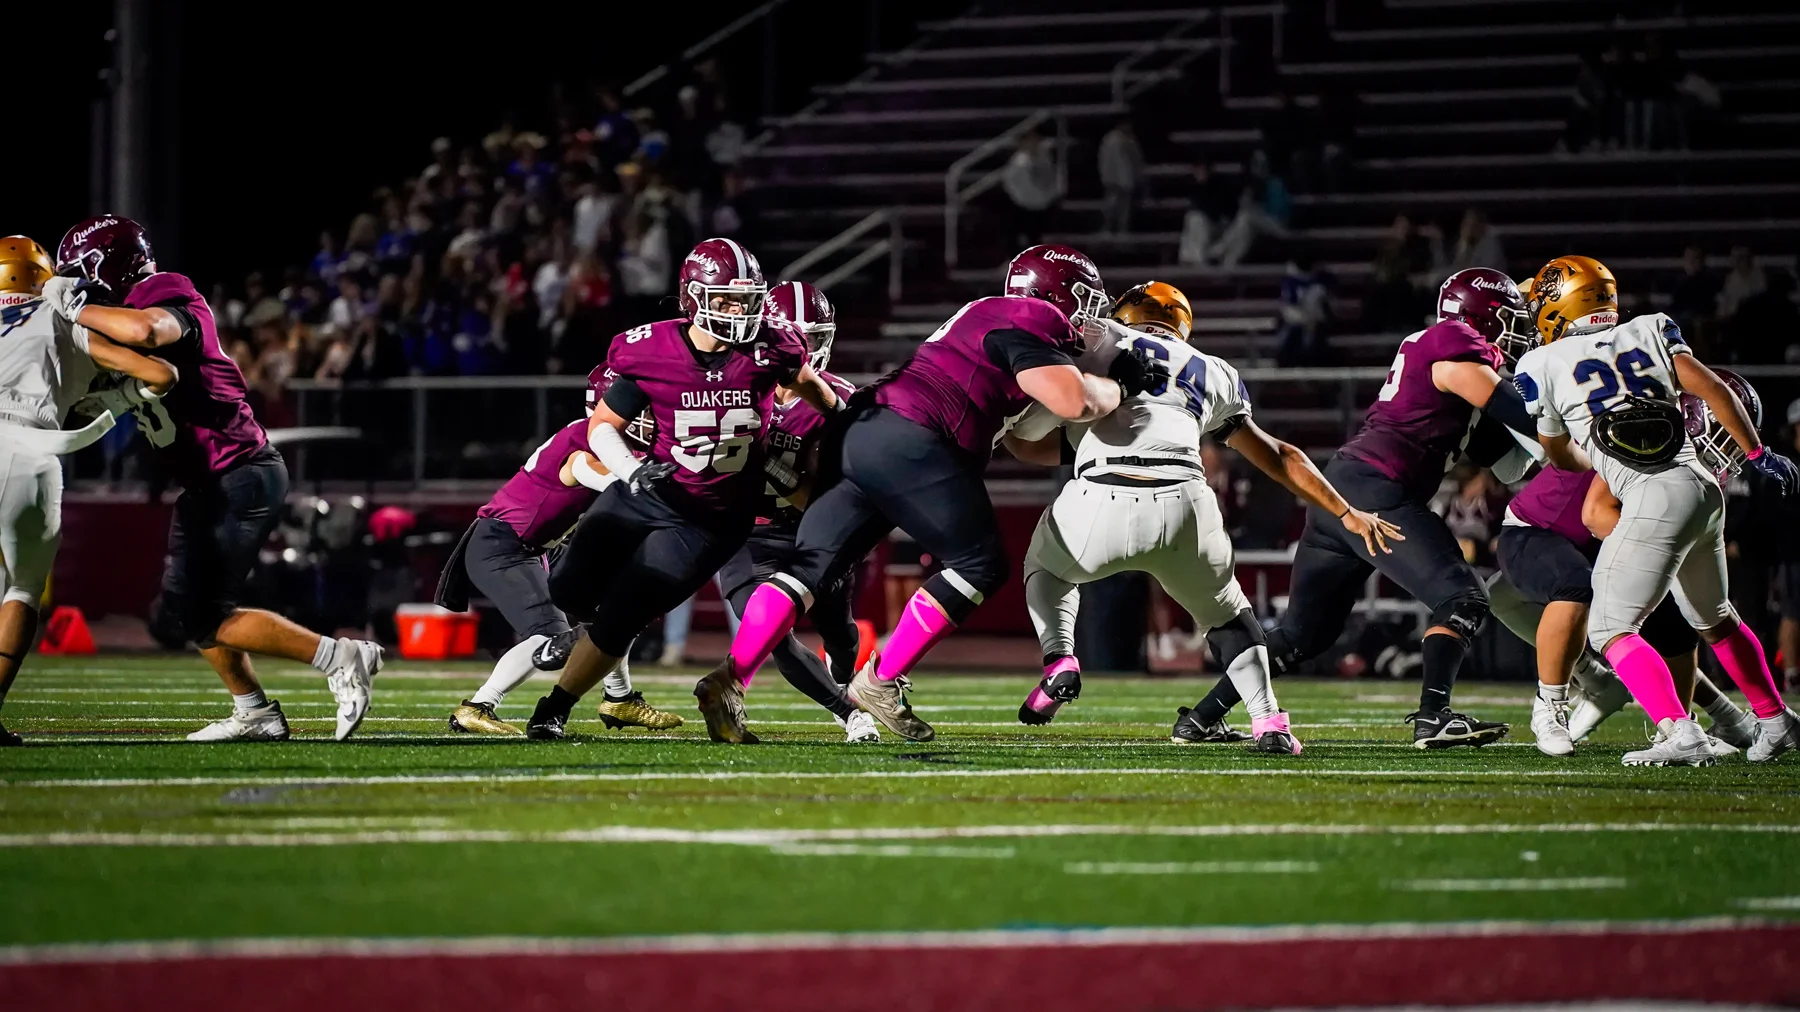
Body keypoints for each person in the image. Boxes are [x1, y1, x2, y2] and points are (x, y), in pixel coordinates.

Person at [694, 245, 1165, 744]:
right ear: (1051, 295)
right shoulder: (1028, 316)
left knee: (808, 569)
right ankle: (880, 679)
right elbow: (1075, 400)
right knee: (980, 563)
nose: (1091, 314)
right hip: (915, 438)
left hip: (864, 430)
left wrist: (1091, 448)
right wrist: (1119, 385)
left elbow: (1028, 444)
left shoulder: (990, 325)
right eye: (1084, 299)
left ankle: (731, 678)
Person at [1002, 281, 1401, 753]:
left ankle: (1059, 661)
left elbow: (1032, 432)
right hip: (1187, 502)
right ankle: (1270, 721)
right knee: (1230, 617)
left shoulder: (1099, 334)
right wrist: (1346, 510)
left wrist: (1007, 428)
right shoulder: (1216, 371)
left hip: (1101, 494)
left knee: (1044, 567)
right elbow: (1278, 455)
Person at [54, 215, 384, 742]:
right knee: (188, 610)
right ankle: (254, 711)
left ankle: (342, 656)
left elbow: (146, 330)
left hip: (241, 471)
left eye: (83, 273)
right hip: (211, 479)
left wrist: (71, 309)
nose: (80, 285)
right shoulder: (112, 318)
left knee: (204, 612)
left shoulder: (160, 291)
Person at [1182, 268, 1543, 748]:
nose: (1522, 331)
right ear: (1484, 320)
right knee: (1463, 598)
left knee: (1300, 636)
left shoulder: (1451, 373)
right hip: (1377, 492)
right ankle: (1434, 716)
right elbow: (1529, 417)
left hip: (1342, 488)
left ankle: (1201, 718)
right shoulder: (1453, 344)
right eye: (1511, 320)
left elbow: (1520, 460)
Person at [522, 238, 841, 740]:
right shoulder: (650, 348)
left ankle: (554, 706)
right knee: (566, 589)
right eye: (728, 299)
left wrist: (842, 419)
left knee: (623, 615)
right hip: (649, 488)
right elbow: (603, 425)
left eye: (748, 299)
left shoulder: (772, 347)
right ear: (694, 297)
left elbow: (811, 386)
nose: (741, 311)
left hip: (712, 519)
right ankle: (588, 637)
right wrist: (628, 470)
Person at [1513, 254, 1799, 765]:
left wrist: (1587, 449)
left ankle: (1678, 729)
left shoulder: (1540, 363)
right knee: (1714, 617)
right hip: (1702, 486)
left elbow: (1556, 453)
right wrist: (1758, 454)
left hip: (1650, 492)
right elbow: (1711, 385)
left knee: (1608, 626)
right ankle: (1775, 720)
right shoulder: (1650, 328)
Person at [0, 236, 180, 746]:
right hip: (24, 448)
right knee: (22, 590)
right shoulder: (62, 315)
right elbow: (159, 372)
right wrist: (123, 397)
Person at [436, 371, 681, 735]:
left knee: (613, 611)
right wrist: (633, 479)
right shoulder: (587, 440)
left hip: (535, 547)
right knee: (549, 637)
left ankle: (619, 698)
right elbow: (583, 468)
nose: (650, 415)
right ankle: (477, 705)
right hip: (504, 545)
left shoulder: (606, 439)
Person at [1489, 462, 1756, 757]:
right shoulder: (1639, 439)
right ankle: (1552, 703)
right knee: (1579, 591)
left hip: (1593, 542)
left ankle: (1683, 726)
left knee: (1674, 625)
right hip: (1543, 532)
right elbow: (1596, 514)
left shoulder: (1689, 465)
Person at [711, 281, 879, 743]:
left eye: (815, 337)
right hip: (745, 532)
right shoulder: (731, 384)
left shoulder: (837, 399)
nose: (807, 349)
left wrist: (776, 470)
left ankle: (845, 679)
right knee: (767, 633)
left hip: (814, 532)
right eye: (798, 337)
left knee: (841, 636)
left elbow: (826, 494)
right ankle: (851, 713)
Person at [1001, 131, 1059, 249]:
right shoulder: (1018, 163)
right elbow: (1012, 185)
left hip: (1043, 203)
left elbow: (1050, 178)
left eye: (1035, 140)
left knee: (1037, 236)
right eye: (1029, 141)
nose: (1033, 143)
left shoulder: (1045, 157)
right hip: (1023, 204)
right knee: (1020, 234)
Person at [1097, 120, 1145, 235]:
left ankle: (1123, 229)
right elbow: (1105, 160)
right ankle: (1108, 228)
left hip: (1127, 179)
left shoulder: (1131, 140)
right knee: (1111, 206)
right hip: (1114, 180)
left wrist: (1137, 178)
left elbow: (1137, 161)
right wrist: (1108, 178)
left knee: (1125, 209)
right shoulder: (1110, 140)